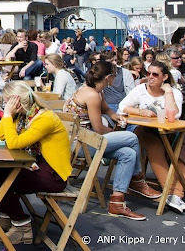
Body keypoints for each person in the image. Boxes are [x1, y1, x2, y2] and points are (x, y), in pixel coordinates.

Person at [62, 61, 160, 219]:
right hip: (82, 145)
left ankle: (117, 203)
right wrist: (116, 131)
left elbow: (106, 109)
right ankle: (137, 180)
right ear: (108, 78)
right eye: (115, 75)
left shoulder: (95, 91)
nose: (116, 78)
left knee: (128, 153)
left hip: (84, 140)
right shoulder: (92, 95)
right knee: (132, 137)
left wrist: (117, 117)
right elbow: (99, 130)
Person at [0, 82, 71, 244]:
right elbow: (0, 135)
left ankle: (21, 225)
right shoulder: (25, 116)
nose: (5, 105)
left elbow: (13, 143)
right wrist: (8, 115)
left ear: (16, 102)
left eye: (7, 102)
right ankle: (9, 215)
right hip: (38, 166)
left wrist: (8, 115)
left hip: (54, 175)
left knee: (1, 178)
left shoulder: (44, 118)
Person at [117, 61, 185, 213]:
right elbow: (122, 106)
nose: (150, 77)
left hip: (171, 132)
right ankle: (175, 194)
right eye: (148, 73)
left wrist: (169, 92)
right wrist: (141, 112)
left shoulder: (174, 92)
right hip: (147, 131)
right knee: (155, 147)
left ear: (164, 77)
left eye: (155, 74)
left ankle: (175, 193)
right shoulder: (141, 89)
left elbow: (176, 114)